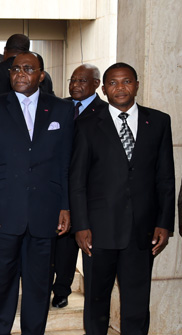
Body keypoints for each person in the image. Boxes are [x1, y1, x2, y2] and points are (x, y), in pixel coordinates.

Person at [0, 52, 73, 335]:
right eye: (16, 69)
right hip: (2, 211)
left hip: (46, 211)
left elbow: (66, 163)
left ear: (41, 75)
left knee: (39, 283)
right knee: (1, 280)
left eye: (28, 69)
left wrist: (65, 206)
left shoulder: (61, 110)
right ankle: (0, 329)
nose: (20, 74)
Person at [71, 63, 174, 335]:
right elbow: (77, 180)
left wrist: (165, 222)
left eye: (126, 81)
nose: (120, 87)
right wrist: (80, 225)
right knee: (96, 301)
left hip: (142, 232)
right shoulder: (86, 125)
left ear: (136, 85)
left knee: (137, 304)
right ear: (103, 90)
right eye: (113, 83)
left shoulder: (160, 122)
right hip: (98, 231)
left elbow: (165, 177)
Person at [51, 63, 107, 309]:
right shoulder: (58, 107)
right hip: (58, 185)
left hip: (89, 189)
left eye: (82, 81)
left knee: (79, 240)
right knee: (60, 242)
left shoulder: (106, 112)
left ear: (96, 84)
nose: (75, 85)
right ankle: (58, 289)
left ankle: (67, 288)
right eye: (73, 80)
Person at [0, 34, 54, 99]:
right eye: (14, 70)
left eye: (28, 70)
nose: (20, 74)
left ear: (5, 50)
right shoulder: (44, 76)